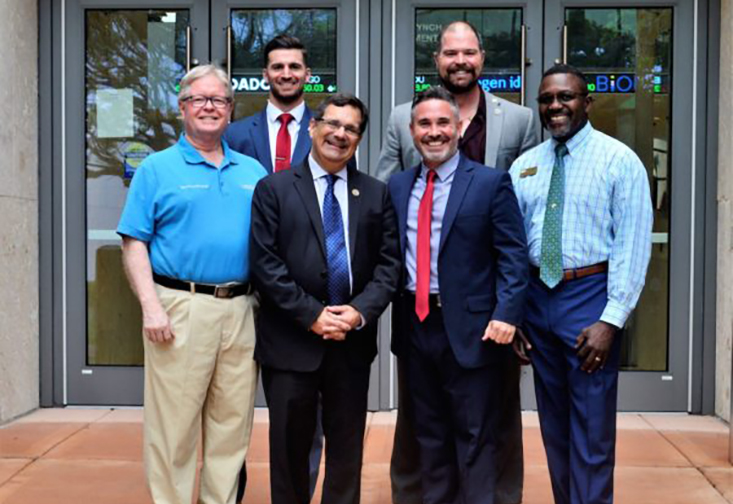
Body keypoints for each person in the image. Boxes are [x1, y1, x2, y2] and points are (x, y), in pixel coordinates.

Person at [375, 20, 537, 504]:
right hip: (417, 325)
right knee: (426, 435)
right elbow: (387, 251)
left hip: (475, 326)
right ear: (411, 131)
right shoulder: (400, 187)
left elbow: (513, 252)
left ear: (457, 128)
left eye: (443, 124)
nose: (434, 132)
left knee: (477, 436)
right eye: (424, 125)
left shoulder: (490, 182)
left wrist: (508, 314)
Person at [117, 64, 266, 504]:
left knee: (231, 426)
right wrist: (150, 306)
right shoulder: (157, 169)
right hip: (180, 307)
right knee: (174, 428)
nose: (208, 107)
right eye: (198, 99)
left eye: (218, 100)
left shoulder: (252, 171)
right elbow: (133, 241)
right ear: (182, 107)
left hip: (241, 309)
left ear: (230, 110)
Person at [509, 64, 653, 504]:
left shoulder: (618, 160)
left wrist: (611, 320)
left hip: (590, 298)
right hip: (537, 301)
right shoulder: (525, 166)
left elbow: (632, 244)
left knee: (590, 428)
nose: (555, 106)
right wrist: (514, 316)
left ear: (586, 103)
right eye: (547, 99)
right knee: (553, 425)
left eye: (565, 97)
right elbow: (512, 248)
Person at [249, 93, 401, 504]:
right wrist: (312, 315)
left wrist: (357, 313)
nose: (340, 134)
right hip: (290, 341)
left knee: (347, 452)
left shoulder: (376, 193)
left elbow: (389, 267)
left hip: (350, 344)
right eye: (332, 124)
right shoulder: (273, 188)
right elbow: (266, 265)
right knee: (288, 453)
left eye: (351, 128)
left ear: (359, 139)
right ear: (313, 127)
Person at [223, 33, 326, 502]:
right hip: (243, 288)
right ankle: (230, 492)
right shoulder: (236, 134)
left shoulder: (328, 131)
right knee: (230, 406)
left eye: (295, 67)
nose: (286, 74)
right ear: (265, 73)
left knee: (305, 412)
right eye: (277, 66)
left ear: (308, 74)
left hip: (305, 292)